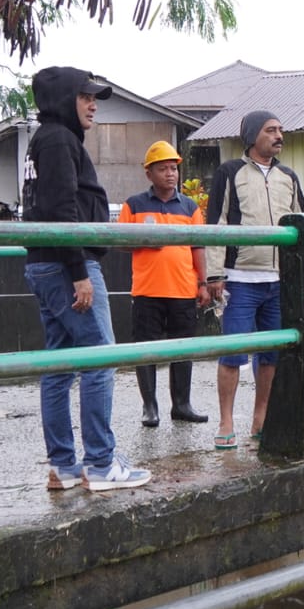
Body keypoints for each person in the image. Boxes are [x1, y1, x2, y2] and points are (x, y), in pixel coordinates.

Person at [22, 66, 151, 491]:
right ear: (63, 100)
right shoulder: (58, 139)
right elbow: (61, 209)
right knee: (99, 358)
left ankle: (64, 465)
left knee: (59, 365)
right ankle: (100, 463)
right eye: (85, 97)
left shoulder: (46, 140)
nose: (93, 104)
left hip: (46, 262)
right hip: (66, 265)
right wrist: (78, 272)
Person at [204, 111, 304, 450]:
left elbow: (299, 227)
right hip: (239, 279)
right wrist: (215, 274)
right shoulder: (230, 172)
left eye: (281, 130)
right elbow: (216, 222)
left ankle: (261, 418)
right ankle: (226, 421)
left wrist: (298, 276)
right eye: (270, 130)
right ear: (251, 136)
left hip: (278, 280)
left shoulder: (288, 177)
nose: (279, 135)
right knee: (233, 352)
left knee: (272, 355)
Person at [121, 139, 210, 428]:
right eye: (163, 169)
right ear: (149, 174)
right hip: (147, 290)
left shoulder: (190, 207)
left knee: (182, 350)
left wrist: (203, 283)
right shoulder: (133, 205)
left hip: (183, 289)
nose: (170, 174)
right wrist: (144, 240)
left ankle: (181, 405)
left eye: (173, 168)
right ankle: (150, 407)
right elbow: (117, 241)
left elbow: (199, 247)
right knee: (145, 350)